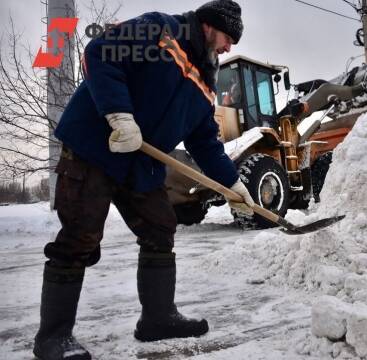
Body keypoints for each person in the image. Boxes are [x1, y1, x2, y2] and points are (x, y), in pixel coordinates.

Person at [33, 1, 255, 359]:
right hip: (96, 145)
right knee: (80, 235)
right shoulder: (157, 29)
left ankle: (157, 319)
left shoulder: (206, 82)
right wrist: (119, 116)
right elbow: (99, 52)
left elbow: (204, 141)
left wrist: (233, 183)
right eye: (228, 37)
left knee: (160, 228)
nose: (229, 47)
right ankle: (52, 338)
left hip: (140, 162)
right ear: (209, 26)